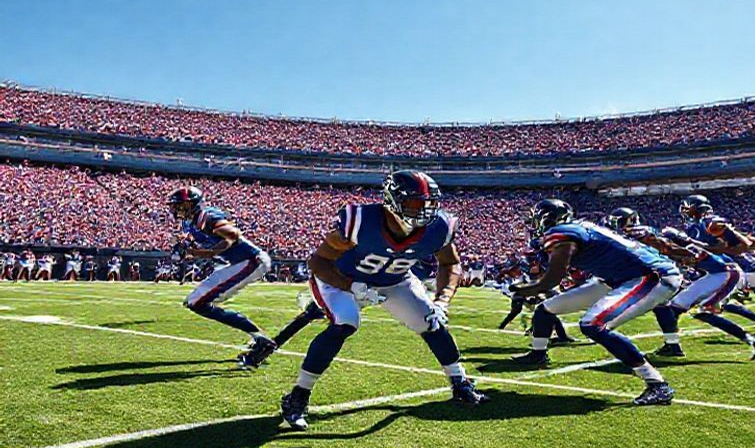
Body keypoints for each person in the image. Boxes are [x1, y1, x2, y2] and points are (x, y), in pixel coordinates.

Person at [280, 170, 488, 431]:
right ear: (392, 201)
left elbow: (450, 262)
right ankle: (298, 396)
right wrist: (352, 286)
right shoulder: (358, 221)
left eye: (429, 203)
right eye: (415, 203)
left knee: (431, 321)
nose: (424, 211)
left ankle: (460, 383)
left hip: (395, 280)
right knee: (346, 322)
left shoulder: (439, 227)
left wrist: (443, 300)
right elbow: (319, 262)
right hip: (340, 279)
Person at [511, 199, 682, 406]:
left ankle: (657, 383)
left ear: (548, 218)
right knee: (546, 309)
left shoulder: (563, 234)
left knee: (593, 324)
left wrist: (525, 290)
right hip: (617, 278)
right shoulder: (579, 228)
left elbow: (553, 278)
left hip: (649, 276)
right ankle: (538, 355)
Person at [605, 207, 755, 360]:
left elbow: (659, 247)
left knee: (704, 312)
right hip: (716, 273)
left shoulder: (643, 232)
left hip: (725, 273)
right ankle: (672, 345)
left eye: (618, 221)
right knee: (669, 308)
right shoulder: (666, 236)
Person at [168, 186, 276, 369]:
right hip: (235, 262)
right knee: (194, 302)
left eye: (180, 206)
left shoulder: (205, 217)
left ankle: (261, 339)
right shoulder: (189, 222)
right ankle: (260, 338)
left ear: (192, 204)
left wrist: (204, 253)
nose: (176, 209)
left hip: (251, 260)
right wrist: (189, 247)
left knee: (197, 302)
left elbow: (232, 235)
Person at [680, 195, 755, 336]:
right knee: (723, 304)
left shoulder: (711, 223)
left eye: (687, 207)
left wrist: (712, 248)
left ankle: (753, 340)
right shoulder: (695, 226)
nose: (684, 211)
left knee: (705, 308)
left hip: (728, 271)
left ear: (696, 207)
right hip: (719, 270)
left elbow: (743, 244)